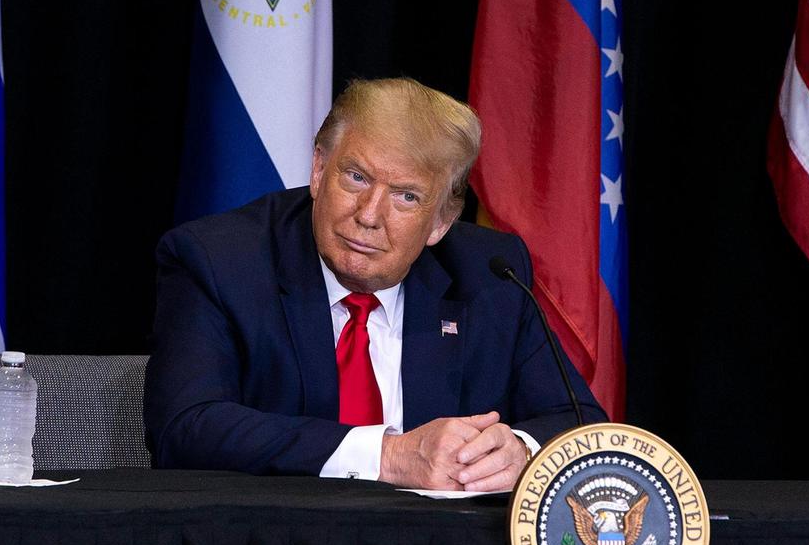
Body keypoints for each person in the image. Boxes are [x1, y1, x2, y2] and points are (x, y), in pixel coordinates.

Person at [144, 78, 606, 491]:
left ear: (441, 222)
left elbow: (581, 424)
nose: (368, 215)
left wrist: (518, 451)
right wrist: (389, 456)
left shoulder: (490, 272)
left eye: (406, 197)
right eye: (356, 177)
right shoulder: (219, 260)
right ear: (319, 169)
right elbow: (184, 428)